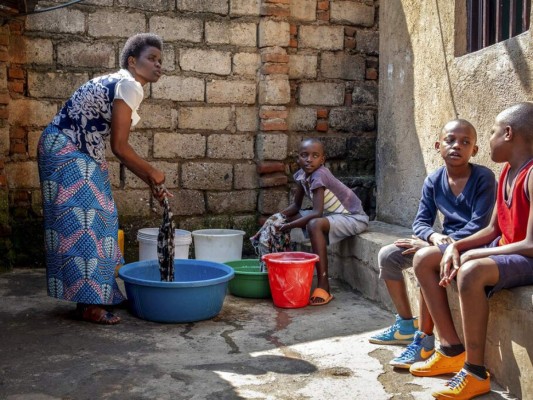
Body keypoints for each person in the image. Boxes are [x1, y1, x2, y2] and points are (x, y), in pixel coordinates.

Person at [37, 33, 171, 325]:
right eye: (152, 59)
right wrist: (153, 173)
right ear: (133, 62)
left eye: (161, 60)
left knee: (104, 217)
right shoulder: (129, 84)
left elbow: (118, 147)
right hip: (68, 148)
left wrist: (151, 182)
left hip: (72, 147)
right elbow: (120, 147)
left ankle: (101, 294)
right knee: (87, 220)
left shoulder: (123, 82)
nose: (158, 65)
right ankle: (88, 305)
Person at [410, 102, 533, 399]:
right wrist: (454, 246)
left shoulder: (531, 175)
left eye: (490, 132)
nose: (488, 139)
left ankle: (475, 371)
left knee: (471, 271)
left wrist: (470, 255)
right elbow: (492, 231)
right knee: (425, 258)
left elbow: (530, 245)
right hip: (507, 251)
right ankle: (451, 348)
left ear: (507, 133)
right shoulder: (507, 172)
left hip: (528, 257)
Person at [369, 120, 496, 370]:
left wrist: (442, 245)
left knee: (426, 260)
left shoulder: (484, 177)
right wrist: (434, 238)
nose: (457, 146)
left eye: (465, 142)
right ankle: (406, 324)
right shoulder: (434, 179)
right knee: (389, 255)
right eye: (450, 140)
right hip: (442, 242)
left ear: (475, 150)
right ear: (439, 145)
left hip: (472, 245)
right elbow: (421, 222)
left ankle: (424, 340)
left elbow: (480, 225)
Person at [278, 138, 369, 305]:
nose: (309, 160)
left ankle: (324, 286)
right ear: (298, 158)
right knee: (284, 219)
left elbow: (316, 213)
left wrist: (289, 226)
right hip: (332, 214)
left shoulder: (320, 175)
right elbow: (296, 206)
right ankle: (284, 267)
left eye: (315, 155)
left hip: (354, 218)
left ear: (322, 160)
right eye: (304, 155)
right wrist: (276, 219)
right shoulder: (301, 175)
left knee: (314, 224)